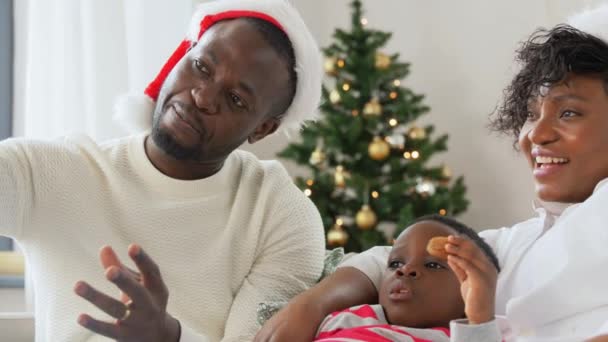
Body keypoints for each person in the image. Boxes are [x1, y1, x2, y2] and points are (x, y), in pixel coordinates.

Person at [255, 4, 608, 342]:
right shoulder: (518, 242)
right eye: (531, 114)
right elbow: (392, 258)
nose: (536, 135)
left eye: (568, 113)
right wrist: (311, 305)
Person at [0, 0, 326, 341]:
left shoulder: (280, 216)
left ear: (263, 129)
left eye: (236, 99)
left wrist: (169, 336)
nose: (203, 96)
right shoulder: (55, 172)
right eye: (201, 66)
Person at [313, 215, 502, 342]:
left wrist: (479, 316)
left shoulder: (459, 337)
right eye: (395, 263)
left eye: (433, 265)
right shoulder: (348, 317)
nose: (405, 269)